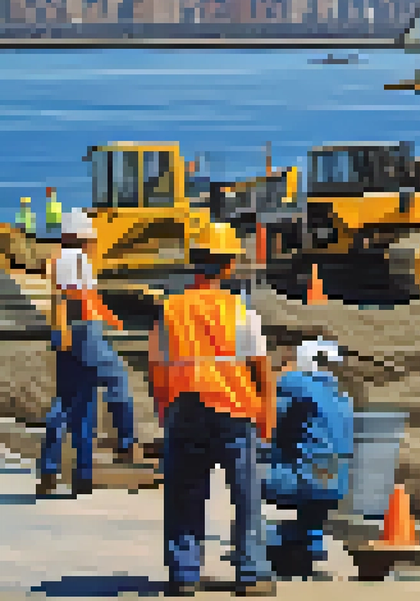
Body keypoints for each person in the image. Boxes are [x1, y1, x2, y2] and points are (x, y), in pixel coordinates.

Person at [149, 225, 276, 596]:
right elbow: (261, 370)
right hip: (234, 409)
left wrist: (164, 411)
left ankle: (184, 573)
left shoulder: (170, 309)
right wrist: (266, 420)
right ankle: (250, 573)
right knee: (246, 494)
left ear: (194, 264)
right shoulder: (240, 310)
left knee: (184, 492)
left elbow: (157, 366)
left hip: (184, 407)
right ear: (229, 265)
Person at [38, 209, 142, 497]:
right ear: (83, 238)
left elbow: (78, 297)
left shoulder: (57, 259)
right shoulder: (78, 259)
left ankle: (53, 470)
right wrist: (102, 320)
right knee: (118, 378)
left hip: (64, 332)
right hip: (83, 331)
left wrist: (110, 317)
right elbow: (81, 296)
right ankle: (126, 443)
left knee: (72, 402)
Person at [262, 338, 354, 581]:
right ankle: (311, 544)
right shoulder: (341, 395)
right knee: (316, 494)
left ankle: (256, 540)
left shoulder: (292, 384)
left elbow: (268, 427)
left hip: (304, 480)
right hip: (337, 483)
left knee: (244, 477)